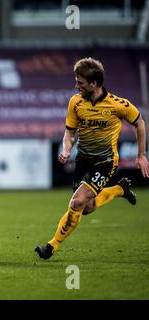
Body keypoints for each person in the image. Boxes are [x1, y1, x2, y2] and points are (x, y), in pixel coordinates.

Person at [35, 57, 149, 260]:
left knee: (76, 202)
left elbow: (139, 122)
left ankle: (50, 247)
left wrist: (141, 155)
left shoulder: (118, 104)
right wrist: (66, 150)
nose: (76, 85)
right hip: (82, 161)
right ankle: (119, 190)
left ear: (93, 84)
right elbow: (69, 133)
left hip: (105, 163)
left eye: (80, 82)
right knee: (87, 207)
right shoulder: (75, 102)